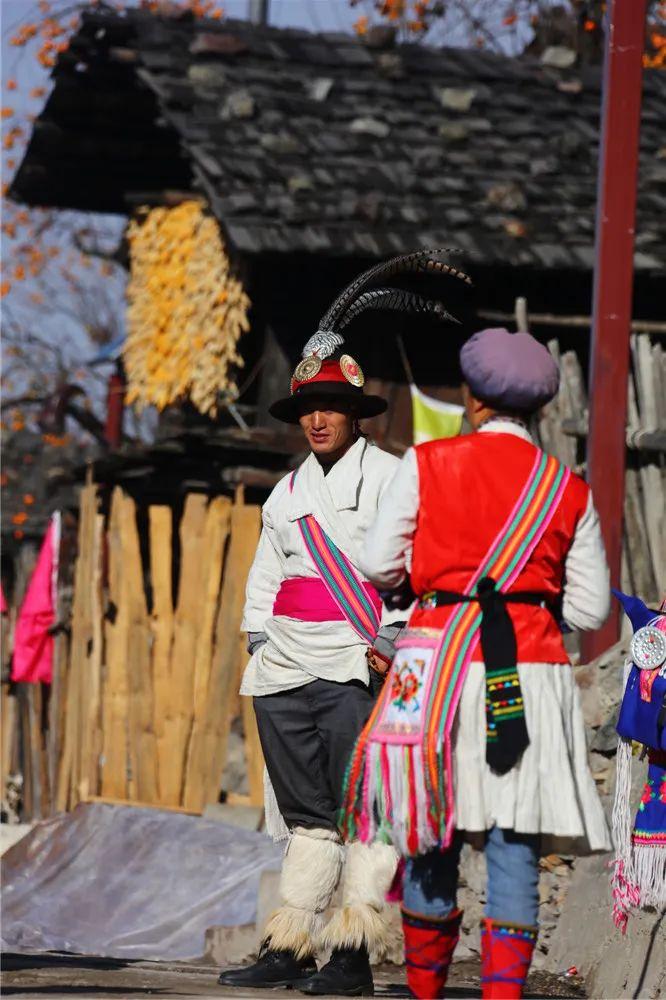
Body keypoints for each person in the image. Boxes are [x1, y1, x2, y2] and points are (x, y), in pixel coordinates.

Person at [218, 251, 472, 996]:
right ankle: (292, 940)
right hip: (285, 666)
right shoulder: (285, 493)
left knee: (365, 808)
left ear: (356, 412)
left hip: (359, 662)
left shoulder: (394, 477)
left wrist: (390, 639)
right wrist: (260, 638)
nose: (319, 419)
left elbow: (418, 566)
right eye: (308, 408)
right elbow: (265, 576)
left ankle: (353, 951)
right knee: (306, 813)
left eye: (331, 405)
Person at [341, 327, 612, 999]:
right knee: (514, 841)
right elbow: (589, 608)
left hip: (435, 665)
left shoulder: (426, 462)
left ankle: (424, 991)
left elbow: (378, 563)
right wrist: (523, 604)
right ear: (540, 409)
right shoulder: (567, 489)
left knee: (431, 830)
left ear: (473, 399)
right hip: (527, 672)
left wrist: (438, 587)